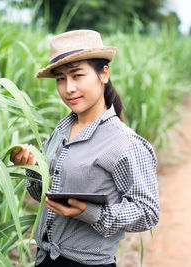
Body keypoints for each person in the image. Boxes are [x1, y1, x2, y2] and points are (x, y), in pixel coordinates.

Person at [10, 30, 159, 267]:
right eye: (60, 78)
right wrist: (32, 168)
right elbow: (46, 198)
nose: (68, 88)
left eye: (77, 75)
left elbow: (148, 212)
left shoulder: (126, 143)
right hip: (45, 258)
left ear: (104, 74)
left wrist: (89, 212)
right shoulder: (60, 132)